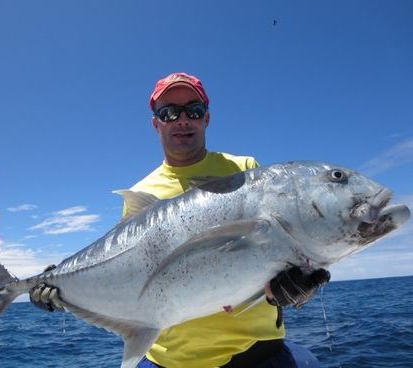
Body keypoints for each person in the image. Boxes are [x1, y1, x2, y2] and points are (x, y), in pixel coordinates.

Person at [30, 72, 330, 367]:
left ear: (206, 119)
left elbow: (276, 250)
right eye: (170, 112)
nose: (183, 120)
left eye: (193, 110)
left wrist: (298, 284)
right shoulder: (141, 193)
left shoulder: (244, 170)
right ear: (156, 123)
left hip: (255, 353)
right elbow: (124, 270)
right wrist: (63, 286)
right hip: (169, 359)